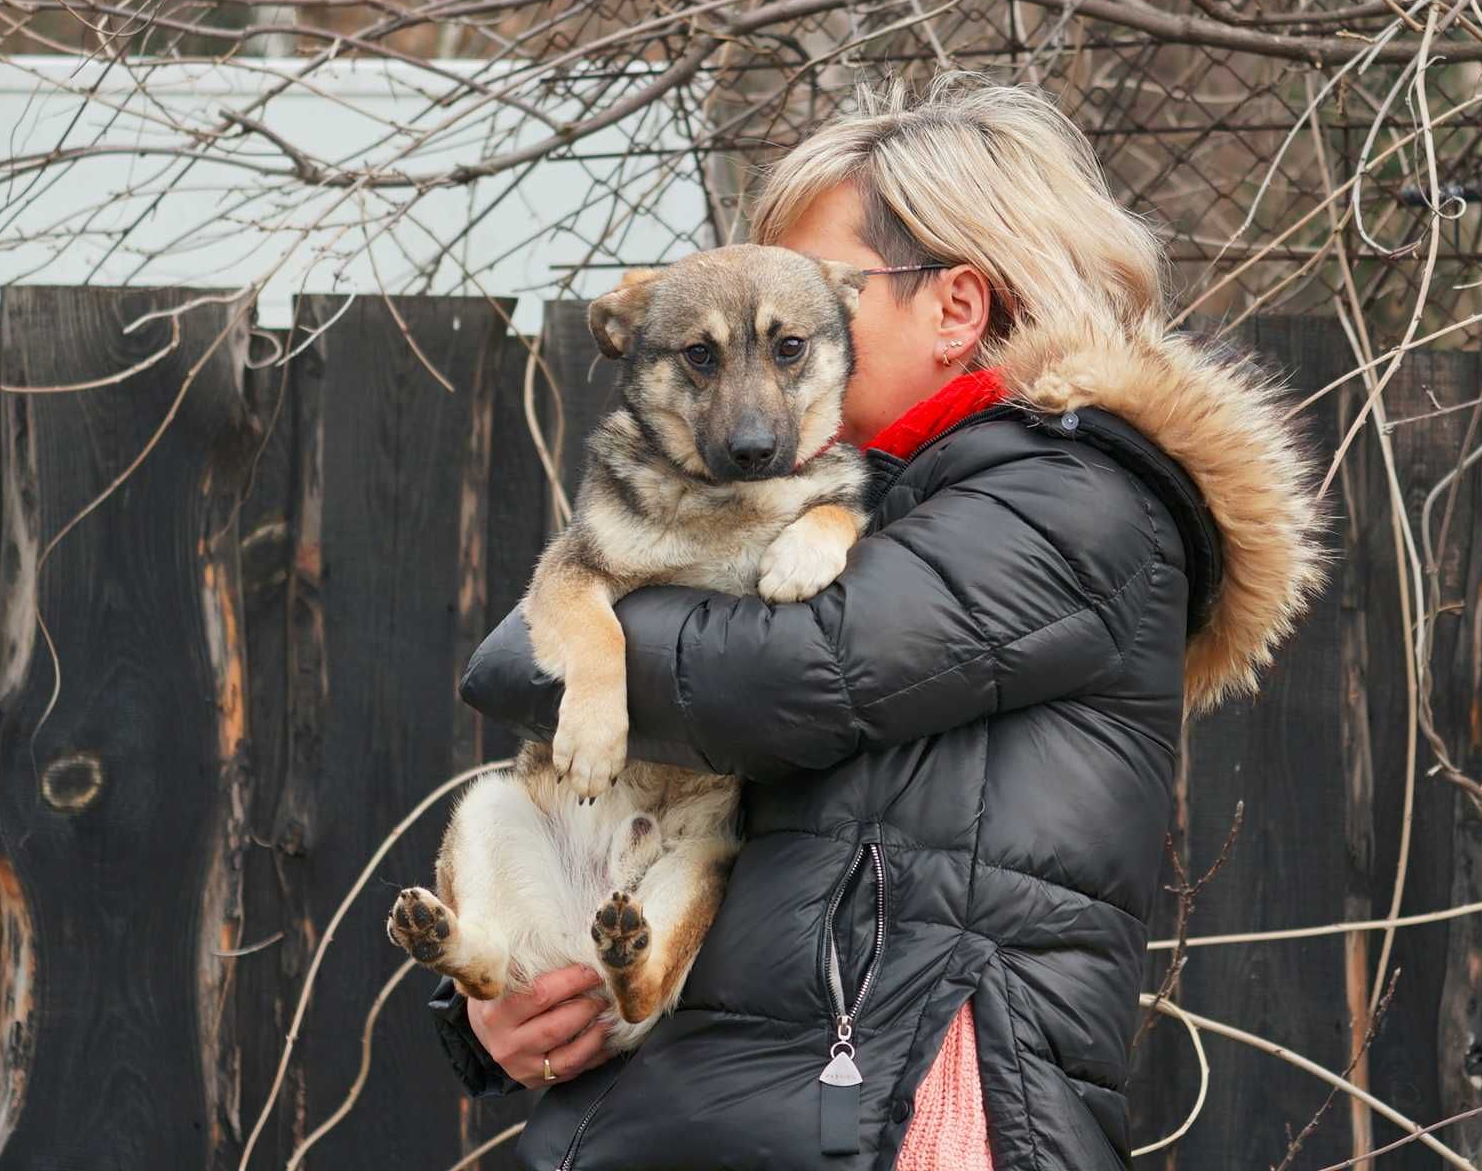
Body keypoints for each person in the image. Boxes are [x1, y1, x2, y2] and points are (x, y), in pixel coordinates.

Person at [429, 74, 1328, 1170]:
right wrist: (508, 1006)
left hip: (906, 1113)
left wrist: (571, 624)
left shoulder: (1075, 500)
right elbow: (701, 836)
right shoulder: (869, 497)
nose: (781, 349)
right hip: (742, 1104)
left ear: (956, 307)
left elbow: (775, 677)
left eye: (829, 293)